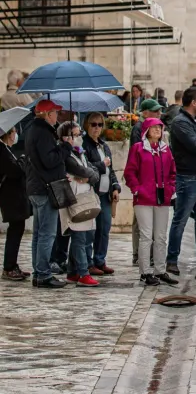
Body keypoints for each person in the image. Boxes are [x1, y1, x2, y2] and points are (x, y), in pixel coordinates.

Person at [124, 117, 178, 286]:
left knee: (161, 236)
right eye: (154, 128)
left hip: (162, 197)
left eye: (159, 128)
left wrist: (170, 189)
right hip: (143, 198)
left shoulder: (165, 150)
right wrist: (137, 189)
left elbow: (172, 172)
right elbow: (130, 172)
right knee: (146, 236)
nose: (157, 130)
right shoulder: (138, 149)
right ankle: (145, 271)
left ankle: (160, 270)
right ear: (146, 130)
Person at [24, 98, 71, 288]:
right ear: (47, 114)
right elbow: (49, 160)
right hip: (45, 188)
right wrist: (65, 147)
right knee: (47, 234)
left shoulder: (33, 130)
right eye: (55, 113)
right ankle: (43, 274)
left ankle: (38, 272)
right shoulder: (42, 132)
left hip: (37, 187)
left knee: (39, 233)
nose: (57, 116)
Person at [166, 86, 196, 276]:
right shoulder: (180, 122)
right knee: (180, 220)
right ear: (194, 102)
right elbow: (195, 144)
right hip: (186, 177)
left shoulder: (194, 121)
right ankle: (171, 260)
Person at [57, 121, 100, 287]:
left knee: (86, 235)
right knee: (79, 237)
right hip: (75, 199)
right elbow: (80, 170)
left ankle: (72, 271)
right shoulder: (66, 154)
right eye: (75, 134)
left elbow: (93, 172)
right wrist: (88, 175)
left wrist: (89, 177)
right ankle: (83, 272)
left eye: (79, 134)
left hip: (86, 197)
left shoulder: (81, 153)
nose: (78, 137)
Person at [81, 111, 121, 275]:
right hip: (92, 192)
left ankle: (100, 259)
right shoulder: (84, 145)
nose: (96, 128)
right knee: (90, 230)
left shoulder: (104, 146)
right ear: (87, 126)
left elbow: (110, 170)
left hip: (105, 193)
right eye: (93, 124)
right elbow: (86, 167)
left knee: (104, 227)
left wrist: (116, 186)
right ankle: (89, 262)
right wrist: (101, 164)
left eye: (99, 124)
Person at [0, 122, 31, 281]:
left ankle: (12, 264)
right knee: (15, 231)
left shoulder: (7, 150)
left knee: (17, 230)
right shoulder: (2, 150)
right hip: (10, 198)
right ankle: (9, 267)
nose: (16, 134)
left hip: (15, 196)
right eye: (13, 131)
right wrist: (22, 161)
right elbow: (13, 171)